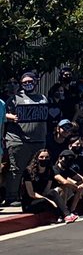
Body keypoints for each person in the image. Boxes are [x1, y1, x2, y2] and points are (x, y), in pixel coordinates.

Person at [4, 72, 49, 204]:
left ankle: (32, 195)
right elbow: (3, 113)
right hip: (19, 140)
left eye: (30, 81)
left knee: (34, 170)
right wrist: (11, 117)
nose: (28, 84)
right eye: (25, 82)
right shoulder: (14, 98)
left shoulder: (43, 98)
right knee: (16, 169)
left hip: (39, 140)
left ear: (36, 82)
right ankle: (11, 197)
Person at [20, 149, 77, 222]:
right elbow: (31, 193)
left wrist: (50, 197)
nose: (44, 159)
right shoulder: (28, 172)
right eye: (41, 157)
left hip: (43, 197)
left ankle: (67, 215)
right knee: (45, 201)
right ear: (37, 158)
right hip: (30, 202)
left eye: (46, 157)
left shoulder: (49, 171)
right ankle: (61, 215)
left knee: (52, 192)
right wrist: (48, 200)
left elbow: (46, 190)